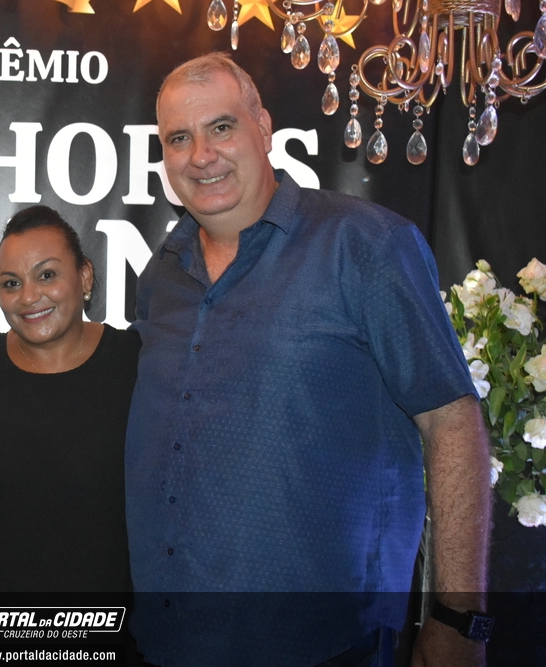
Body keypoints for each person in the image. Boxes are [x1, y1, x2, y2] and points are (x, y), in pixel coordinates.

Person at [125, 53, 491, 667]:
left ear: (264, 128)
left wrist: (457, 618)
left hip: (328, 646)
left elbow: (451, 421)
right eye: (178, 138)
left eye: (221, 127)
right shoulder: (162, 275)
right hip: (167, 642)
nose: (201, 155)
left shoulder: (366, 245)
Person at [0, 205, 139, 592]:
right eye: (11, 283)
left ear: (85, 275)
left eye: (47, 275)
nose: (28, 296)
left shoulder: (136, 364)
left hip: (107, 617)